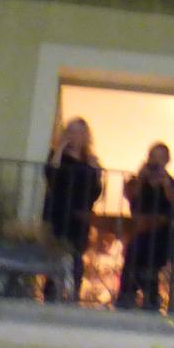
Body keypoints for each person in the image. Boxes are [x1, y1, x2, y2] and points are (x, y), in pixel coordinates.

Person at [40, 117, 103, 302]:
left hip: (80, 214)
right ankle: (50, 292)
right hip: (57, 211)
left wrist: (97, 173)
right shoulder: (56, 155)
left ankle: (74, 293)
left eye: (79, 132)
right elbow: (51, 175)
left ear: (85, 137)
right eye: (71, 131)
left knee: (77, 253)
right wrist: (60, 148)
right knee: (55, 251)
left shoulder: (89, 161)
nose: (74, 136)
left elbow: (95, 192)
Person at [118, 142, 174, 311]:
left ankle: (151, 299)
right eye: (153, 156)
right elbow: (131, 197)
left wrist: (165, 182)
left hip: (161, 232)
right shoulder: (138, 180)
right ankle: (126, 297)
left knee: (153, 266)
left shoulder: (172, 182)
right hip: (139, 230)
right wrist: (141, 178)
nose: (156, 161)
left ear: (167, 160)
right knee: (132, 261)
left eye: (160, 158)